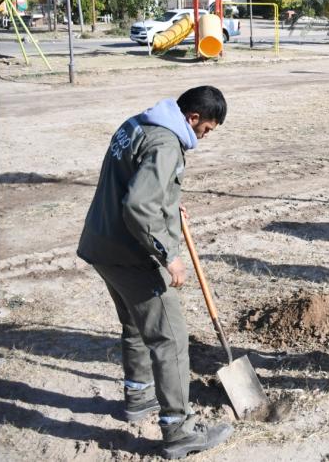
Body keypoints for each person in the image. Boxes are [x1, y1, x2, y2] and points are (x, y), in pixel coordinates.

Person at [77, 86, 233, 459]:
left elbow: (132, 183)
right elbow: (138, 205)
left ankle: (138, 395)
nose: (204, 137)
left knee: (134, 323)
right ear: (192, 117)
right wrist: (168, 255)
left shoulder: (137, 124)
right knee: (171, 340)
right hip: (131, 255)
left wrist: (169, 204)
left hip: (102, 245)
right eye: (206, 129)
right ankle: (179, 431)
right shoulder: (166, 143)